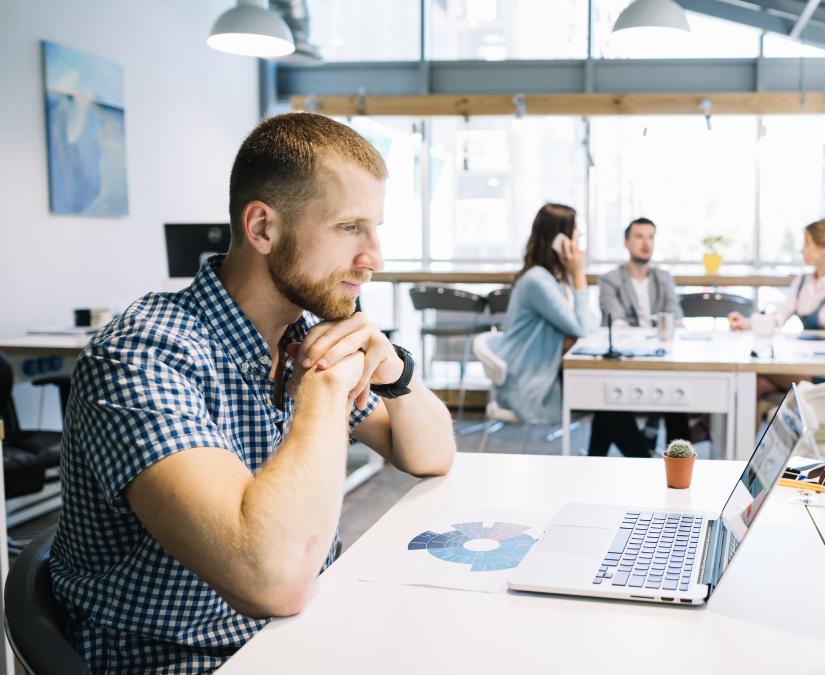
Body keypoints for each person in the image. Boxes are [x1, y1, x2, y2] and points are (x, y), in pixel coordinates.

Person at [49, 112, 457, 673]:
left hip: (300, 634)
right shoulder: (142, 356)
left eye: (375, 228)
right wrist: (324, 385)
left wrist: (390, 367)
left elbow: (430, 454)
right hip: (183, 659)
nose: (374, 259)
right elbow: (273, 580)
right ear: (263, 228)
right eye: (348, 228)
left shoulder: (295, 336)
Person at [729, 218, 825, 397]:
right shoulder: (802, 282)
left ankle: (702, 426)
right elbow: (779, 317)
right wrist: (747, 323)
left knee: (755, 370)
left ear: (824, 248)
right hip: (806, 366)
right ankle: (709, 425)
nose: (802, 249)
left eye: (807, 243)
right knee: (755, 385)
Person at [591, 217, 690, 456]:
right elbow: (616, 320)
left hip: (662, 359)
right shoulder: (610, 280)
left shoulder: (663, 278)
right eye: (639, 237)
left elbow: (675, 316)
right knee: (606, 404)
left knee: (678, 396)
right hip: (626, 363)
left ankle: (681, 464)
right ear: (627, 242)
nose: (646, 243)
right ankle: (646, 457)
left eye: (650, 237)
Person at [495, 203, 597, 425]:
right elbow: (583, 328)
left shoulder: (556, 279)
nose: (578, 245)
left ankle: (606, 457)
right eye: (575, 236)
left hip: (547, 372)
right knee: (606, 402)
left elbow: (591, 322)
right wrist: (578, 273)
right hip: (527, 382)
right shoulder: (537, 281)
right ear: (560, 241)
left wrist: (572, 276)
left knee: (607, 404)